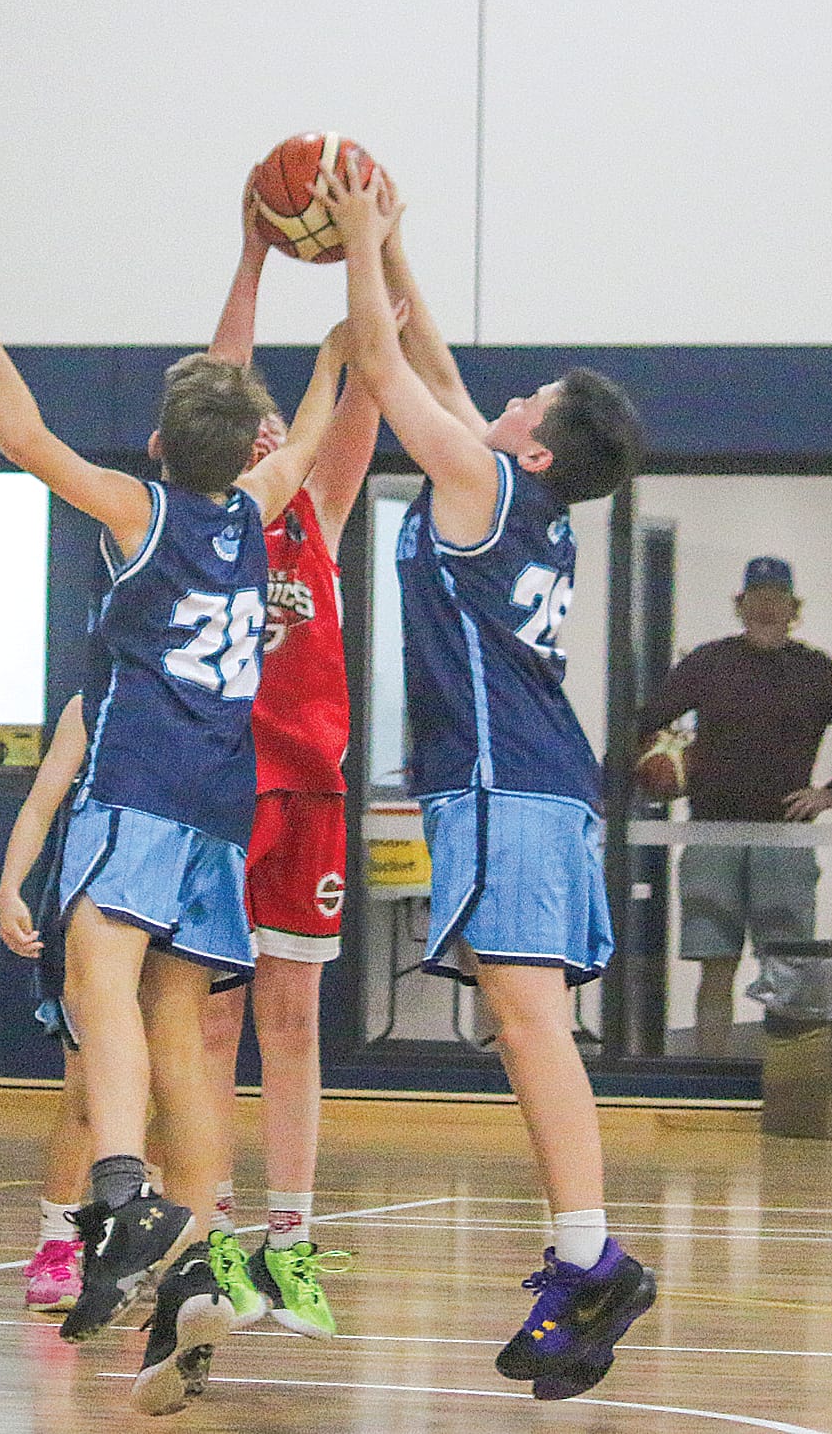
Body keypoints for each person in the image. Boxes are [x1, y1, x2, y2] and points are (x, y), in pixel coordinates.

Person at [0, 212, 348, 1414]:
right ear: (246, 448)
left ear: (160, 444)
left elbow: (23, 435)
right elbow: (310, 434)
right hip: (222, 814)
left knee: (96, 976)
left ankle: (120, 1186)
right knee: (182, 1032)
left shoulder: (139, 511)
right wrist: (338, 348)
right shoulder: (257, 509)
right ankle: (202, 1262)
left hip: (140, 790)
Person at [321, 162, 653, 1403]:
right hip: (526, 781)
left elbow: (384, 361)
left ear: (540, 443)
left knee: (529, 1024)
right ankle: (586, 1253)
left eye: (529, 400)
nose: (505, 398)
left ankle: (593, 1256)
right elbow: (440, 367)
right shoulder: (522, 493)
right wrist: (397, 245)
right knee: (527, 1024)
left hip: (511, 782)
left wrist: (361, 244)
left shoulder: (486, 481)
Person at [197, 181, 393, 1341]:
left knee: (297, 1020)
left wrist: (371, 252)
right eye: (252, 423)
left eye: (283, 422)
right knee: (213, 1025)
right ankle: (215, 1238)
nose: (269, 428)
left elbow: (367, 375)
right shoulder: (199, 514)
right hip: (220, 788)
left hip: (309, 785)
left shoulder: (317, 509)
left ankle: (291, 1242)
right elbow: (223, 379)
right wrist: (252, 254)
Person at [637, 556, 832, 1056]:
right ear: (740, 604)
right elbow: (646, 720)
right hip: (712, 833)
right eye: (758, 597)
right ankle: (709, 1077)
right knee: (715, 965)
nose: (767, 607)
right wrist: (651, 769)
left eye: (777, 598)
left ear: (794, 608)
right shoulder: (709, 662)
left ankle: (786, 1080)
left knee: (788, 969)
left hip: (783, 836)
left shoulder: (815, 670)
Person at [0, 694, 93, 1313]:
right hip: (87, 908)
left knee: (174, 1086)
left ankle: (162, 1241)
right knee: (85, 1090)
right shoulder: (90, 706)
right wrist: (10, 887)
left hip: (178, 913)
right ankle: (57, 1244)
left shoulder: (211, 692)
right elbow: (39, 804)